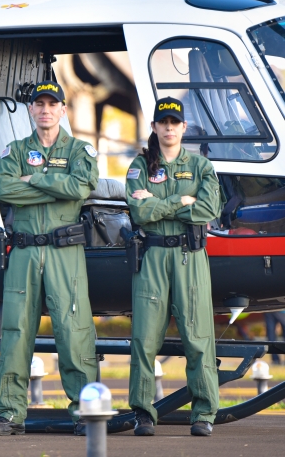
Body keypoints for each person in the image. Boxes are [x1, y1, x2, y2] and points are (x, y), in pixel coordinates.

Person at [0, 80, 99, 437]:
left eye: (53, 104)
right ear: (31, 110)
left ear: (63, 110)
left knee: (73, 330)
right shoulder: (15, 150)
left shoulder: (81, 150)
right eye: (39, 104)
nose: (46, 109)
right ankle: (10, 413)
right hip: (23, 251)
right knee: (16, 330)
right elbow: (5, 188)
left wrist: (33, 178)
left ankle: (84, 411)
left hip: (64, 252)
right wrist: (54, 182)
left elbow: (80, 188)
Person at [126, 97, 223, 437]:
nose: (168, 127)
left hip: (189, 257)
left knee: (197, 338)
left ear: (183, 127)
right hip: (151, 257)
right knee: (144, 339)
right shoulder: (140, 165)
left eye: (174, 122)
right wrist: (180, 201)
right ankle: (143, 412)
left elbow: (208, 209)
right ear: (154, 126)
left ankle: (204, 412)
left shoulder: (201, 167)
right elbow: (138, 213)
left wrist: (157, 204)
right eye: (162, 122)